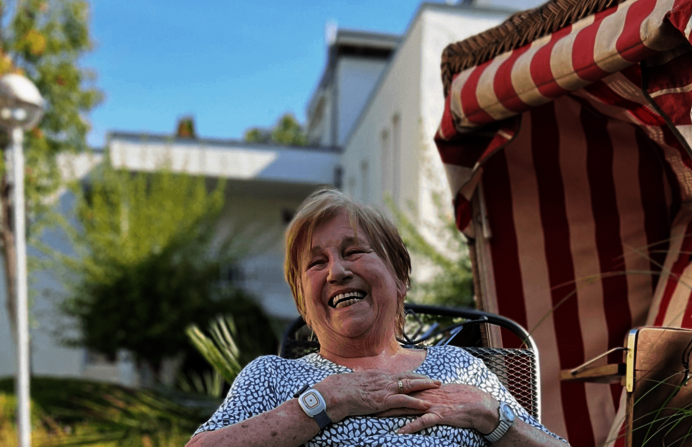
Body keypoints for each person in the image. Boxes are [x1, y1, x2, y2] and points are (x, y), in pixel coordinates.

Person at [187, 188, 567, 447]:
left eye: (353, 252)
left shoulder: (459, 367)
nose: (336, 271)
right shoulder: (272, 378)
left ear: (401, 279)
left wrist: (491, 416)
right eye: (317, 263)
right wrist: (326, 401)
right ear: (303, 303)